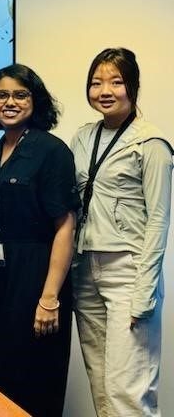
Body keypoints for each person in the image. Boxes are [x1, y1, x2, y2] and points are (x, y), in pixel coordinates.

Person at [70, 48, 172, 417]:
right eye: (96, 82)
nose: (105, 91)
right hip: (84, 270)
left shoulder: (151, 142)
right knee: (102, 386)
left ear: (133, 86)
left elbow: (159, 220)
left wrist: (144, 293)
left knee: (128, 391)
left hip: (128, 272)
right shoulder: (83, 137)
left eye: (116, 81)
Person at [0, 64, 79, 416]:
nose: (10, 102)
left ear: (36, 101)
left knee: (39, 377)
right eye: (2, 95)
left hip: (38, 273)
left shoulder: (52, 151)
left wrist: (49, 298)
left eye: (20, 95)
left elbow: (65, 226)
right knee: (2, 374)